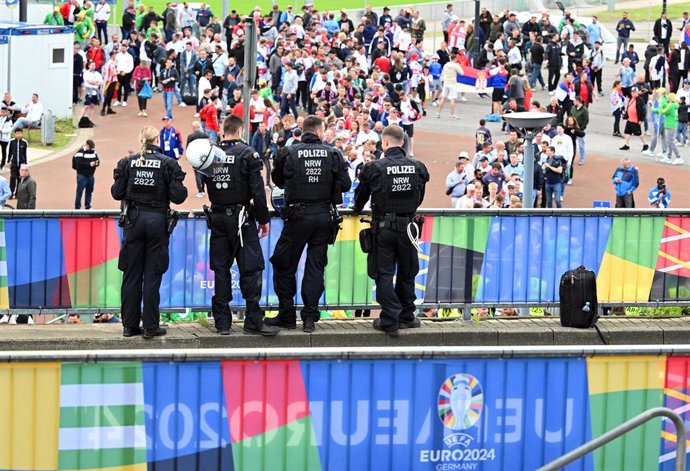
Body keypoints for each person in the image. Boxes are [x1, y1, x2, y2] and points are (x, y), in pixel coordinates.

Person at [193, 116, 279, 336]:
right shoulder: (248, 153)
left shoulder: (211, 153)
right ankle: (253, 321)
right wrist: (264, 219)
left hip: (219, 217)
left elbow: (203, 181)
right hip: (242, 218)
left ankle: (222, 323)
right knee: (251, 269)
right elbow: (258, 191)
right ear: (240, 131)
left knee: (221, 270)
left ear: (224, 131)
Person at [268, 115, 351, 333]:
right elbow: (345, 184)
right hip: (324, 217)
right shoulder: (333, 153)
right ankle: (309, 318)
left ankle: (286, 314)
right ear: (319, 132)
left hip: (298, 217)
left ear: (303, 130)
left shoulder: (288, 152)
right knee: (315, 267)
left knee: (283, 263)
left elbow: (277, 181)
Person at [111, 126, 188, 338]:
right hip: (156, 222)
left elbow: (116, 193)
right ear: (157, 139)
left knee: (131, 274)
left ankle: (129, 325)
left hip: (133, 222)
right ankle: (151, 326)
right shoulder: (168, 163)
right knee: (152, 275)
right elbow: (179, 196)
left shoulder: (127, 162)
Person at [353, 124, 429, 337]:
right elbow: (419, 197)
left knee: (384, 273)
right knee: (408, 272)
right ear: (403, 142)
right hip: (408, 228)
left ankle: (390, 318)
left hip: (384, 229)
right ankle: (406, 316)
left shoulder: (374, 168)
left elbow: (360, 199)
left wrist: (357, 210)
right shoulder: (418, 167)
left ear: (384, 143)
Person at [72, 139, 100, 209]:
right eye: (90, 147)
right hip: (82, 175)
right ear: (87, 145)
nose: (91, 149)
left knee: (89, 191)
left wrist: (97, 163)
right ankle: (77, 207)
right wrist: (89, 164)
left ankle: (88, 206)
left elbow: (97, 160)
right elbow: (79, 164)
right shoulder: (80, 152)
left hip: (91, 175)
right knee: (80, 191)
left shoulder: (94, 152)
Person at [186, 120, 208, 198]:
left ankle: (200, 191)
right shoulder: (205, 134)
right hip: (204, 157)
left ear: (194, 127)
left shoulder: (191, 136)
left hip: (195, 157)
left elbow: (188, 148)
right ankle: (204, 189)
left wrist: (188, 157)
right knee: (204, 172)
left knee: (197, 174)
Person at [7, 128, 27, 198]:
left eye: (20, 133)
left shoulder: (24, 142)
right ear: (15, 134)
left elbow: (26, 154)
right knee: (12, 177)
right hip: (14, 163)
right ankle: (11, 193)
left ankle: (17, 193)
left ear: (22, 134)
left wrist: (26, 164)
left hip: (21, 164)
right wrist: (8, 161)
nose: (19, 135)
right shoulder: (11, 142)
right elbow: (8, 152)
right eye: (17, 133)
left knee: (20, 178)